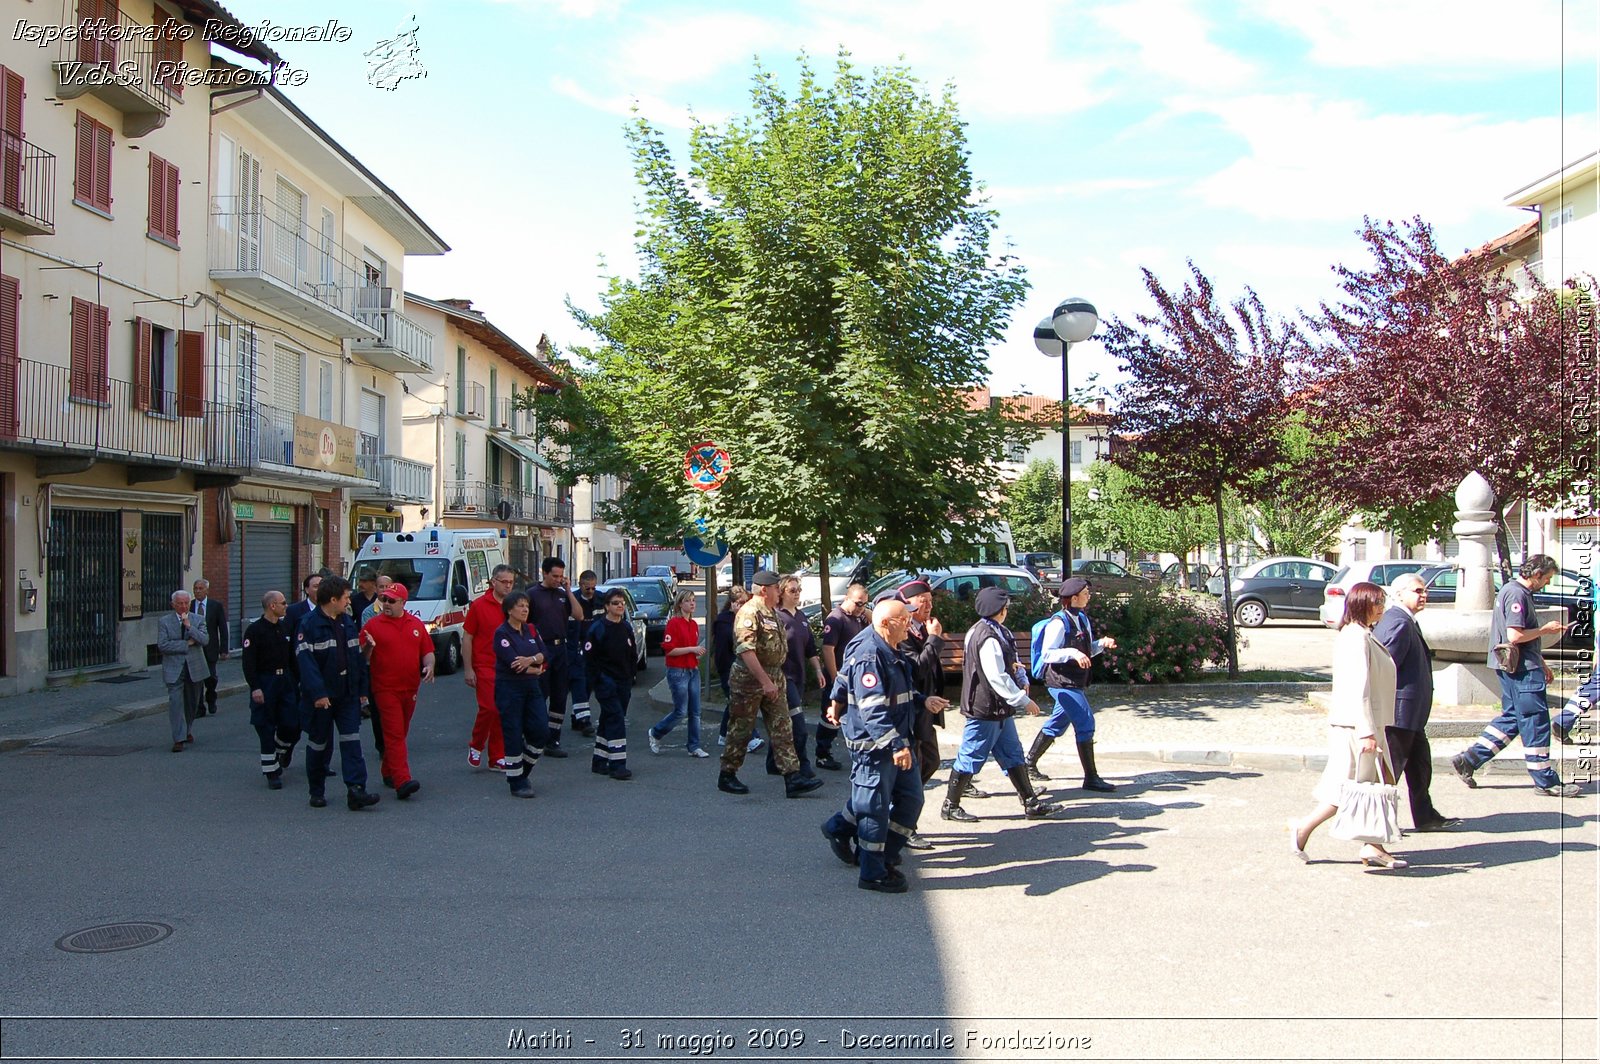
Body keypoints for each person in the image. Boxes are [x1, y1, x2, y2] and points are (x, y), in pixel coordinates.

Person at [820, 599, 947, 893]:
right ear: (887, 623)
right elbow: (873, 708)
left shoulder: (892, 646)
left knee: (911, 799)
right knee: (874, 808)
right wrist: (895, 746)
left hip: (899, 739)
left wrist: (922, 700)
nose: (911, 623)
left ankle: (883, 854)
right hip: (875, 745)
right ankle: (873, 872)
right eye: (905, 619)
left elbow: (899, 690)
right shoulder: (870, 653)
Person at [1289, 582, 1406, 869]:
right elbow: (1359, 686)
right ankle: (1303, 829)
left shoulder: (1362, 633)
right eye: (1377, 602)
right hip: (1357, 726)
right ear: (1362, 603)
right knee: (1350, 789)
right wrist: (1366, 730)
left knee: (1376, 782)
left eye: (1382, 601)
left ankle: (1373, 845)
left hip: (1363, 723)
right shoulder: (1356, 636)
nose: (1382, 607)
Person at [1451, 554, 1583, 797]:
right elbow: (1515, 636)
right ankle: (1545, 780)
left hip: (1514, 666)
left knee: (1513, 718)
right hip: (1522, 672)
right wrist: (1546, 629)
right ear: (1536, 574)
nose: (1547, 584)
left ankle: (1469, 760)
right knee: (1535, 721)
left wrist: (1540, 661)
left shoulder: (1512, 591)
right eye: (1547, 578)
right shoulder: (1518, 594)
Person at [941, 587, 1062, 822]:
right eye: (1006, 606)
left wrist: (1022, 679)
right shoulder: (986, 637)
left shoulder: (998, 631)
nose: (1007, 610)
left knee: (1012, 753)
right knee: (971, 754)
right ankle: (950, 805)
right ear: (999, 610)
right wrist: (1023, 700)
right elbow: (996, 676)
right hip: (984, 707)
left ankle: (1030, 803)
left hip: (999, 708)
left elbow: (1012, 663)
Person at [717, 571, 822, 798]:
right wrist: (765, 681)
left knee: (783, 727)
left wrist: (774, 679)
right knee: (741, 729)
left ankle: (792, 777)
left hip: (775, 677)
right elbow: (746, 650)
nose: (779, 592)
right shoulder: (750, 612)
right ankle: (727, 774)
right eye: (777, 588)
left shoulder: (771, 612)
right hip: (750, 679)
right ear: (765, 590)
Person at [1373, 574, 1458, 832]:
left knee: (1420, 767)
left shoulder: (1406, 620)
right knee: (1390, 772)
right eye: (1418, 591)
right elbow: (1384, 668)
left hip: (1411, 713)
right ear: (1399, 594)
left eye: (1425, 591)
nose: (1424, 595)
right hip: (1399, 714)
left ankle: (1425, 816)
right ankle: (1377, 822)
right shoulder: (1399, 623)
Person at [1025, 577, 1120, 792]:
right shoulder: (1058, 622)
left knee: (1058, 723)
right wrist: (1073, 653)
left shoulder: (1082, 618)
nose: (1089, 595)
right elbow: (1049, 653)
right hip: (1060, 682)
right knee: (1086, 723)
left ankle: (1029, 763)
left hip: (1075, 680)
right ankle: (1091, 778)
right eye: (1086, 593)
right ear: (1073, 598)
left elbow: (1086, 650)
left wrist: (1101, 645)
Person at [296, 575, 380, 812]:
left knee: (352, 742)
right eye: (345, 598)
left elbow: (354, 658)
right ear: (332, 599)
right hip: (321, 699)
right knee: (319, 745)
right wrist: (318, 694)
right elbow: (306, 664)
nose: (348, 602)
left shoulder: (347, 622)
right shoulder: (308, 625)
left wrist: (362, 690)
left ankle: (356, 790)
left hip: (347, 695)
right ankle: (317, 790)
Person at [360, 582, 435, 800]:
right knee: (394, 733)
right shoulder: (372, 625)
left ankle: (388, 770)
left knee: (400, 731)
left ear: (403, 602)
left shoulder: (416, 624)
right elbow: (362, 657)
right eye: (384, 599)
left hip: (410, 687)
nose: (386, 604)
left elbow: (427, 651)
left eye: (392, 601)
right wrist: (368, 648)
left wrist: (429, 666)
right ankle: (402, 780)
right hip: (385, 688)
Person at [527, 557, 591, 757]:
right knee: (539, 694)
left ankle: (553, 739)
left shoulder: (563, 594)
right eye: (554, 576)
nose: (557, 579)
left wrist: (569, 591)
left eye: (561, 576)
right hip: (541, 649)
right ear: (544, 573)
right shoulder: (532, 594)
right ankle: (532, 736)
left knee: (560, 695)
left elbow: (579, 615)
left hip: (561, 649)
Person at [492, 590, 550, 797]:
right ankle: (517, 782)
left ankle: (522, 770)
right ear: (509, 610)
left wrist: (532, 660)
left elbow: (545, 654)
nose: (525, 609)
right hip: (510, 688)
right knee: (514, 733)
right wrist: (534, 665)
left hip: (532, 688)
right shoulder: (502, 634)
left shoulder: (532, 630)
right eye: (520, 606)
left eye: (526, 606)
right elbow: (514, 664)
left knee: (541, 730)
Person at [240, 590, 299, 788]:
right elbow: (248, 663)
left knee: (292, 724)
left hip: (286, 681)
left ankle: (281, 749)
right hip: (265, 682)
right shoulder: (255, 630)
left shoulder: (284, 628)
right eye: (283, 603)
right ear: (272, 606)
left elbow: (292, 658)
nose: (286, 606)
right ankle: (271, 771)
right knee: (265, 727)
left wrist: (298, 681)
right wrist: (255, 687)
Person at [766, 575, 823, 779]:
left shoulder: (801, 616)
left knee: (785, 722)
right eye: (792, 590)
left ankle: (773, 762)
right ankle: (802, 766)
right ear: (781, 592)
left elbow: (810, 648)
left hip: (798, 677)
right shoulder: (776, 616)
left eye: (799, 589)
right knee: (798, 724)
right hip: (783, 677)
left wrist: (817, 669)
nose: (797, 593)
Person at [462, 565, 516, 771]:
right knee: (489, 707)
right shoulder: (479, 605)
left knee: (502, 711)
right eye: (504, 582)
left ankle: (497, 756)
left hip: (507, 666)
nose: (508, 586)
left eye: (511, 582)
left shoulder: (513, 606)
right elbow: (468, 637)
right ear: (493, 582)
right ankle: (476, 744)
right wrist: (468, 668)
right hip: (485, 665)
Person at [815, 582, 870, 771]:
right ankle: (822, 753)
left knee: (854, 715)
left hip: (855, 678)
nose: (860, 608)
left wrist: (865, 611)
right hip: (839, 676)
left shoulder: (859, 617)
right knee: (830, 715)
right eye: (858, 603)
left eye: (864, 604)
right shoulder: (836, 618)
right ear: (847, 598)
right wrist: (834, 676)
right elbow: (828, 649)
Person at [585, 588, 638, 780]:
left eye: (622, 603)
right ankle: (618, 764)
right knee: (616, 720)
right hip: (606, 683)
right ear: (607, 606)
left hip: (624, 681)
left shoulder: (625, 627)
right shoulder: (598, 629)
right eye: (615, 603)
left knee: (609, 719)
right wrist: (599, 682)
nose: (620, 606)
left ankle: (599, 761)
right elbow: (590, 660)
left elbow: (633, 655)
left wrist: (631, 675)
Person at [648, 588, 708, 757]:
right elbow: (670, 650)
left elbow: (690, 648)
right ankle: (656, 732)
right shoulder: (674, 623)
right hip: (677, 671)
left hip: (692, 670)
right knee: (680, 710)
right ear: (680, 604)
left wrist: (695, 654)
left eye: (694, 600)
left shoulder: (694, 624)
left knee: (695, 710)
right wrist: (691, 649)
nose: (692, 604)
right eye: (688, 601)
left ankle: (694, 745)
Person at [157, 590, 209, 752]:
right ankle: (178, 738)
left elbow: (204, 640)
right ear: (173, 604)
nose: (183, 606)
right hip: (174, 668)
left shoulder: (198, 619)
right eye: (180, 603)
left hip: (194, 668)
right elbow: (163, 645)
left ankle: (187, 730)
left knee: (192, 702)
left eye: (186, 603)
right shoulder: (164, 621)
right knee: (176, 703)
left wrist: (189, 627)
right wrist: (186, 644)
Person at [713, 585, 762, 752]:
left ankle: (723, 735)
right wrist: (723, 671)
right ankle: (750, 737)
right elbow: (720, 651)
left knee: (735, 702)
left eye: (744, 603)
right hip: (729, 669)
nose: (741, 606)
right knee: (740, 703)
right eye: (738, 603)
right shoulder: (723, 622)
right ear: (731, 604)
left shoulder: (750, 619)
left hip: (745, 668)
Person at [567, 569, 603, 734]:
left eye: (593, 588)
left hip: (595, 651)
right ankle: (585, 720)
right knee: (580, 684)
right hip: (577, 648)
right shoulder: (571, 600)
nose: (590, 591)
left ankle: (576, 717)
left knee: (587, 685)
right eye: (587, 588)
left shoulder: (601, 600)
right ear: (580, 585)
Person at [191, 578, 228, 717]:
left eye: (200, 588)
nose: (198, 591)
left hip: (211, 648)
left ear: (207, 590)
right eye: (195, 588)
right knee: (197, 679)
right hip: (195, 648)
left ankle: (211, 699)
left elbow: (223, 628)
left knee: (211, 678)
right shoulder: (190, 605)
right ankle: (199, 707)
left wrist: (224, 649)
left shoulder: (215, 606)